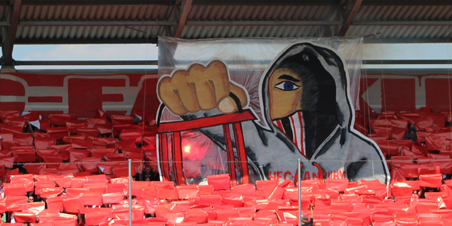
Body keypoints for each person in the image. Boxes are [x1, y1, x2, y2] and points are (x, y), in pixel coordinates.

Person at [156, 44, 390, 182]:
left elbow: (375, 205)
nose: (300, 100)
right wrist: (200, 103)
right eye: (279, 88)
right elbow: (223, 123)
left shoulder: (359, 151)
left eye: (288, 86)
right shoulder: (264, 141)